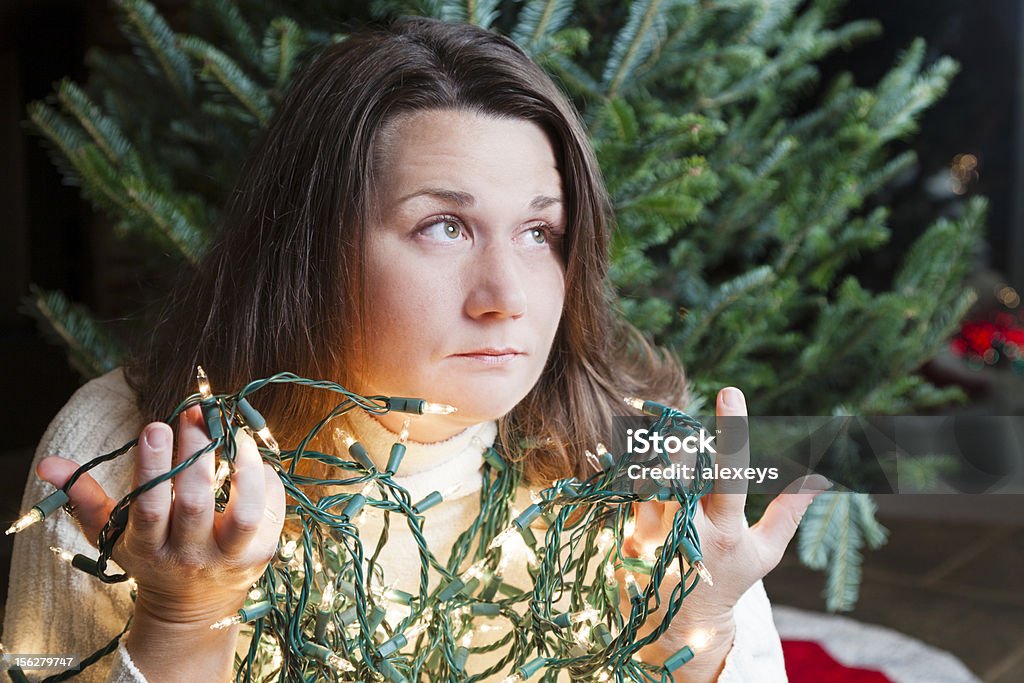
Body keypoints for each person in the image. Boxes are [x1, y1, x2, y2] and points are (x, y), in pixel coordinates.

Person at [2, 17, 830, 683]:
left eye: (540, 231)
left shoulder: (641, 468)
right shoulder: (133, 459)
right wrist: (181, 622)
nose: (506, 293)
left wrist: (694, 636)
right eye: (444, 225)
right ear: (312, 248)